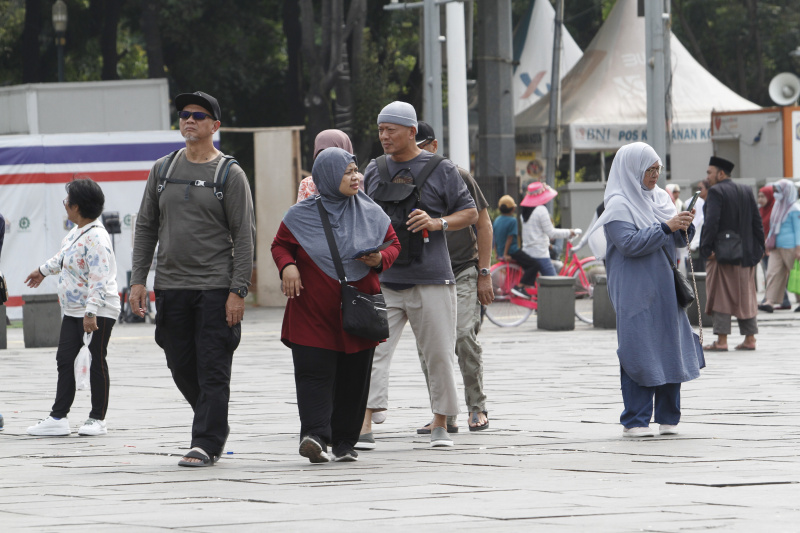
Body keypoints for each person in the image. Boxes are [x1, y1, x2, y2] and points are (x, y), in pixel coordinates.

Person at [129, 91, 255, 467]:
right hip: (171, 286)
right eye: (184, 114)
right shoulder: (162, 169)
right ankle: (212, 419)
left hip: (215, 288)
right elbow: (146, 226)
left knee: (212, 364)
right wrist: (139, 279)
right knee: (179, 362)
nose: (189, 120)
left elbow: (245, 234)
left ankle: (206, 441)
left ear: (215, 126)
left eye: (199, 116)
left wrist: (238, 290)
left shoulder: (229, 174)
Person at [357, 101, 478, 449]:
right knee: (373, 350)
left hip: (433, 277)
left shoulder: (442, 168)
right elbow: (361, 214)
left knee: (438, 352)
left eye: (390, 129)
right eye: (380, 130)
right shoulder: (375, 170)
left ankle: (441, 422)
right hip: (385, 279)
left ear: (412, 131)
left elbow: (469, 212)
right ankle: (365, 420)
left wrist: (437, 222)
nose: (384, 136)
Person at [272, 147, 400, 463]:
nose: (356, 177)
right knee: (313, 373)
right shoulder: (298, 215)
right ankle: (314, 435)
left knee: (354, 378)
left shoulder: (372, 213)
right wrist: (287, 265)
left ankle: (345, 442)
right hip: (312, 311)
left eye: (356, 170)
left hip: (358, 309)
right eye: (347, 172)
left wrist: (380, 258)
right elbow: (280, 246)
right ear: (327, 176)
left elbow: (394, 245)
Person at [588, 142, 704, 438]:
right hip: (634, 289)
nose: (654, 175)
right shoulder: (618, 205)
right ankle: (636, 419)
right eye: (648, 169)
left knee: (670, 346)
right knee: (637, 348)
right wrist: (666, 227)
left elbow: (676, 243)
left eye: (657, 169)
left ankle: (668, 417)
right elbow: (629, 244)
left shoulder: (661, 199)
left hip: (665, 287)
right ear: (631, 170)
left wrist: (683, 227)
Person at [412, 121, 494, 433]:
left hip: (462, 269)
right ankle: (443, 414)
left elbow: (483, 224)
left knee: (462, 336)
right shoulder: (398, 176)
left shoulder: (457, 175)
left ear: (433, 146)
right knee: (430, 347)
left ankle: (477, 405)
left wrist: (483, 273)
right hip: (423, 274)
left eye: (420, 146)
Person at [24, 178, 120, 437]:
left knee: (97, 361)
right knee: (65, 360)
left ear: (77, 206)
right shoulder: (76, 231)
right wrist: (43, 271)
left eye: (67, 201)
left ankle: (97, 418)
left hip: (98, 309)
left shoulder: (97, 237)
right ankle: (58, 417)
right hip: (73, 309)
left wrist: (91, 313)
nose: (65, 205)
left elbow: (99, 279)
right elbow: (63, 257)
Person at [700, 156, 764, 352]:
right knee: (747, 296)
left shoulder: (716, 191)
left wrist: (706, 249)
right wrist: (759, 248)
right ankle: (750, 338)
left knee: (721, 295)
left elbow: (712, 222)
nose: (707, 176)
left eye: (710, 172)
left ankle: (721, 341)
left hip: (722, 255)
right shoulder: (745, 190)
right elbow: (757, 222)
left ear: (721, 173)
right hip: (745, 256)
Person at [759, 179, 800, 313]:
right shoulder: (777, 206)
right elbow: (773, 226)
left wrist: (799, 248)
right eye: (775, 190)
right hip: (776, 246)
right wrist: (768, 243)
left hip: (791, 247)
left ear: (786, 191)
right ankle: (769, 302)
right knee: (772, 273)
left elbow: (798, 230)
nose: (776, 193)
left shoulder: (794, 208)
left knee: (796, 275)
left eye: (778, 190)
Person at [520, 182, 577, 276]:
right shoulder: (541, 210)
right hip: (540, 254)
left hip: (527, 252)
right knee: (553, 283)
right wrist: (569, 232)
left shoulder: (524, 212)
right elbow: (551, 233)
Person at [493, 195, 540, 298]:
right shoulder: (512, 220)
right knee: (534, 265)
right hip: (512, 251)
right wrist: (506, 254)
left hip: (501, 251)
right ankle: (520, 286)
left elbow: (494, 237)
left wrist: (498, 253)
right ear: (513, 209)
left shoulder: (496, 220)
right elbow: (510, 238)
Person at [296, 129, 358, 203]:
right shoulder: (307, 185)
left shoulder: (356, 184)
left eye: (331, 154)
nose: (325, 160)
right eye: (320, 155)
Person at [688, 179, 710, 273]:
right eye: (697, 188)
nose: (699, 190)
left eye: (701, 188)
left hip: (703, 247)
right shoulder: (697, 203)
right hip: (694, 247)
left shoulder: (709, 204)